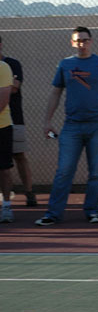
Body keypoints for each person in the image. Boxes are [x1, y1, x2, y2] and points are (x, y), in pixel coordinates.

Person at [35, 27, 98, 226]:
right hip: (72, 127)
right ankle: (53, 213)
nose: (82, 44)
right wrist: (47, 122)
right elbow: (55, 93)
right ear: (72, 42)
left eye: (85, 40)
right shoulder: (65, 64)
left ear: (91, 41)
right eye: (78, 41)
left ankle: (93, 211)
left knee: (96, 172)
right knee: (64, 170)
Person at [0, 35, 37, 207]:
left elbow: (13, 87)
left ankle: (29, 192)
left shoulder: (12, 64)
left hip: (14, 118)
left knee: (19, 155)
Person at [0, 59, 13, 223]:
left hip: (2, 126)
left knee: (4, 169)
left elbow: (2, 100)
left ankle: (7, 206)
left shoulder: (3, 68)